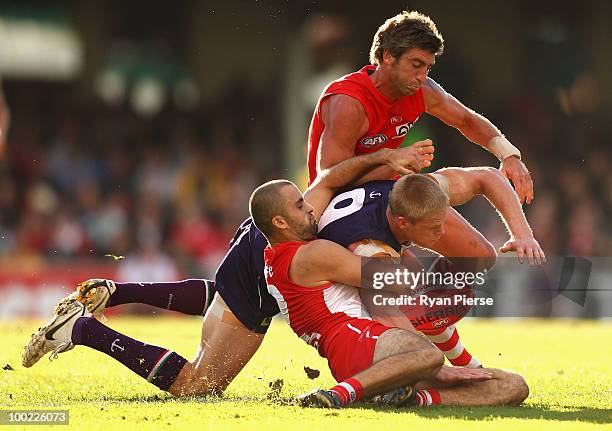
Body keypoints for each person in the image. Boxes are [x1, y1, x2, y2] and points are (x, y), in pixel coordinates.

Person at [22, 144, 433, 397]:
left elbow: (327, 178)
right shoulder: (312, 222)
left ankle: (116, 294)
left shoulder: (308, 208)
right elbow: (374, 271)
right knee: (200, 385)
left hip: (258, 241)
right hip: (268, 252)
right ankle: (84, 330)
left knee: (224, 296)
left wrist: (384, 158)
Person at [306, 10, 536, 366]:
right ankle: (416, 358)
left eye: (427, 67)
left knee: (478, 257)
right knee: (396, 293)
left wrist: (509, 154)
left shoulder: (421, 90)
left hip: (394, 193)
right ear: (386, 57)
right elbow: (328, 176)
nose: (422, 76)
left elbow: (465, 119)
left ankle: (423, 322)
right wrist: (386, 159)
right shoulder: (348, 100)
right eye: (415, 65)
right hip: (345, 208)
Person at [252, 169, 531, 408]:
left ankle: (415, 399)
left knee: (514, 386)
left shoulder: (281, 254)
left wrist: (382, 160)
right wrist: (405, 256)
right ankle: (338, 394)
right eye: (300, 206)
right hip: (350, 340)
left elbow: (327, 181)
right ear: (280, 222)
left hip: (375, 345)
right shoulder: (313, 254)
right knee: (430, 353)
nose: (311, 207)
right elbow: (392, 279)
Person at [316, 167, 545, 366]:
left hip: (368, 219)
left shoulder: (415, 190)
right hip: (339, 264)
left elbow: (488, 175)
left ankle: (463, 361)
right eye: (433, 227)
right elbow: (396, 327)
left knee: (478, 258)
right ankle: (463, 364)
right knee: (408, 313)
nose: (442, 232)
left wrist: (523, 234)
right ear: (403, 223)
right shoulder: (372, 252)